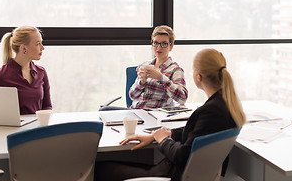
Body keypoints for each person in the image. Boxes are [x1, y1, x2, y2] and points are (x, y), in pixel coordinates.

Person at [94, 48, 246, 181]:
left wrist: (163, 140)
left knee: (99, 168)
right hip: (174, 172)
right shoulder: (225, 105)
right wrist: (158, 135)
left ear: (198, 76)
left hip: (169, 175)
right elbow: (197, 133)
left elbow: (182, 156)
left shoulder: (211, 112)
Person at [0, 25, 52, 115]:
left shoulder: (41, 73)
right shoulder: (0, 76)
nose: (42, 48)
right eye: (37, 44)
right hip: (14, 129)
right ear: (23, 48)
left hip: (39, 127)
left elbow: (47, 106)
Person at [129, 25, 188, 109]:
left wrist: (161, 78)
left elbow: (183, 98)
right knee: (105, 111)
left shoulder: (175, 70)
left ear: (171, 46)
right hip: (135, 111)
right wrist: (141, 82)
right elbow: (132, 96)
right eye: (156, 43)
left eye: (164, 44)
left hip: (153, 116)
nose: (158, 47)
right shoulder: (146, 65)